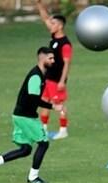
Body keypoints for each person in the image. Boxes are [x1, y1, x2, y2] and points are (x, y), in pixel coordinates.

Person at [0, 47, 61, 183]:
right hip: (25, 117)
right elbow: (33, 99)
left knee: (25, 150)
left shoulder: (41, 74)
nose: (53, 61)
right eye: (50, 58)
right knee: (43, 143)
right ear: (42, 58)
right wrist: (52, 106)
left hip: (21, 115)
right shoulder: (35, 76)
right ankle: (33, 177)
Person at [36, 0, 72, 140]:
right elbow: (45, 18)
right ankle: (43, 128)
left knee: (59, 104)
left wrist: (62, 81)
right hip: (48, 77)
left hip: (57, 79)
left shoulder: (65, 44)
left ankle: (63, 130)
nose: (50, 25)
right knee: (44, 101)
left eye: (53, 24)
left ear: (60, 25)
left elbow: (67, 64)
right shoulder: (54, 38)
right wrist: (39, 4)